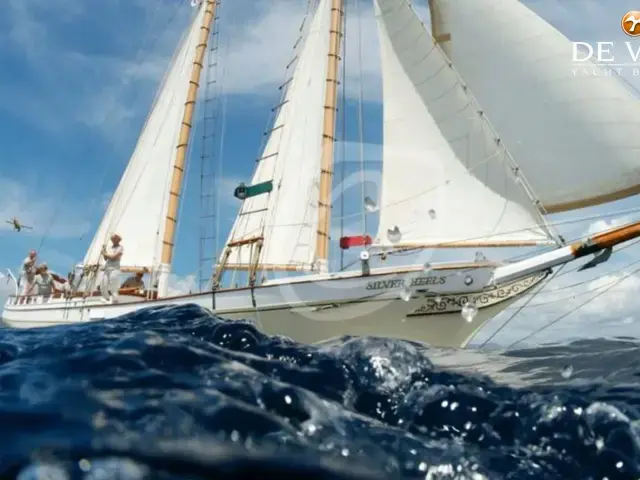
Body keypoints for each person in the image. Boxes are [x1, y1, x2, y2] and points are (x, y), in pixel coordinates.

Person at [101, 233, 124, 303]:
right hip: (107, 269)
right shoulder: (110, 248)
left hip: (114, 270)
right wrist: (104, 250)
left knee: (113, 287)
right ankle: (107, 299)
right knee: (103, 286)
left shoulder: (120, 248)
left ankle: (115, 300)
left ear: (118, 240)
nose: (113, 240)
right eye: (112, 239)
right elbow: (105, 258)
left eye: (114, 238)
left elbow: (114, 257)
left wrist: (104, 253)